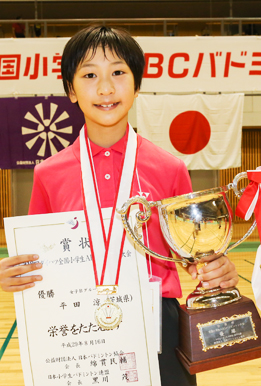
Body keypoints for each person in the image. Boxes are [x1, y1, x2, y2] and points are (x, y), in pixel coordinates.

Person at [0, 26, 238, 386]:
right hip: (78, 329)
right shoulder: (48, 174)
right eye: (90, 75)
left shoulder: (169, 168)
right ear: (71, 90)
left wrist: (216, 270)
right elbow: (39, 261)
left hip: (160, 324)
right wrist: (12, 272)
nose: (106, 88)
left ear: (137, 84)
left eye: (118, 73)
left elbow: (193, 258)